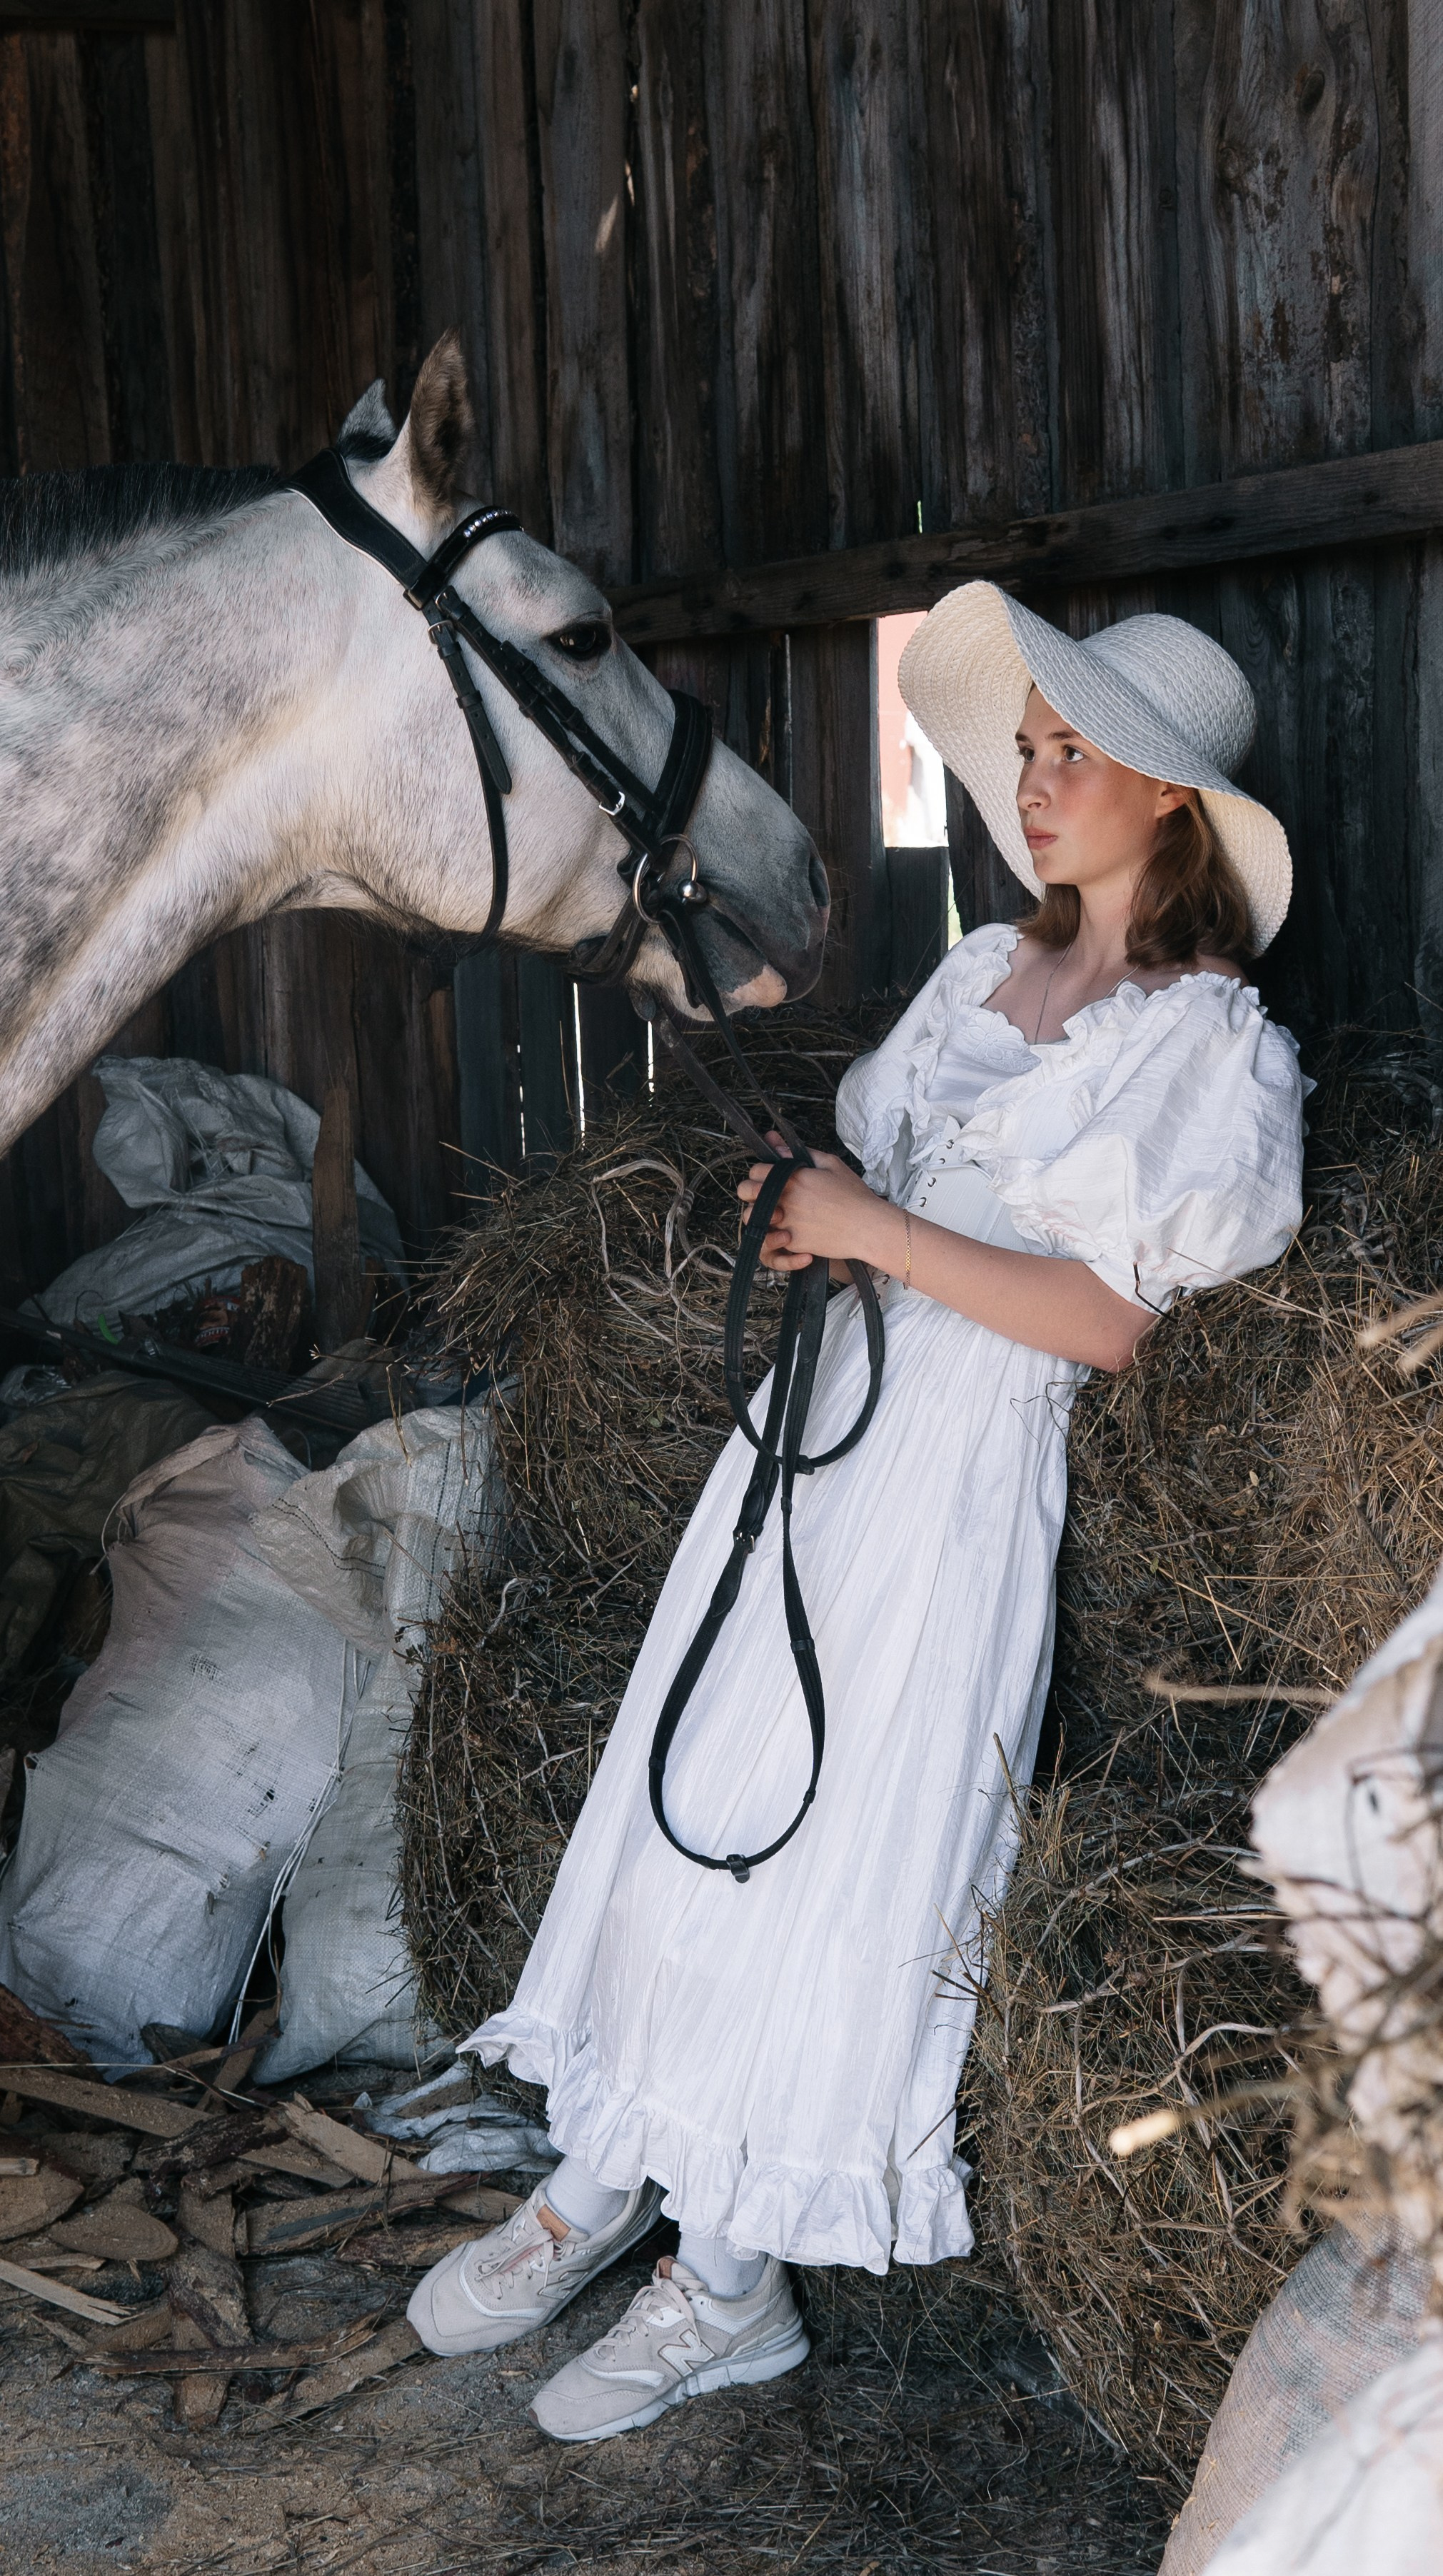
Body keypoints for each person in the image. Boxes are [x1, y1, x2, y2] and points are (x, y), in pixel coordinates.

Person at [406, 581, 1308, 2442]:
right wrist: (809, 1207)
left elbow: (1113, 1323)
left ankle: (728, 2283)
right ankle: (602, 2175)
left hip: (958, 1487)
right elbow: (888, 1189)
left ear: (1176, 805)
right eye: (1032, 749)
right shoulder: (986, 970)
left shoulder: (1207, 1045)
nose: (1035, 783)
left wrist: (879, 1232)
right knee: (700, 1795)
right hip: (821, 1429)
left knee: (835, 1853)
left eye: (1079, 757)